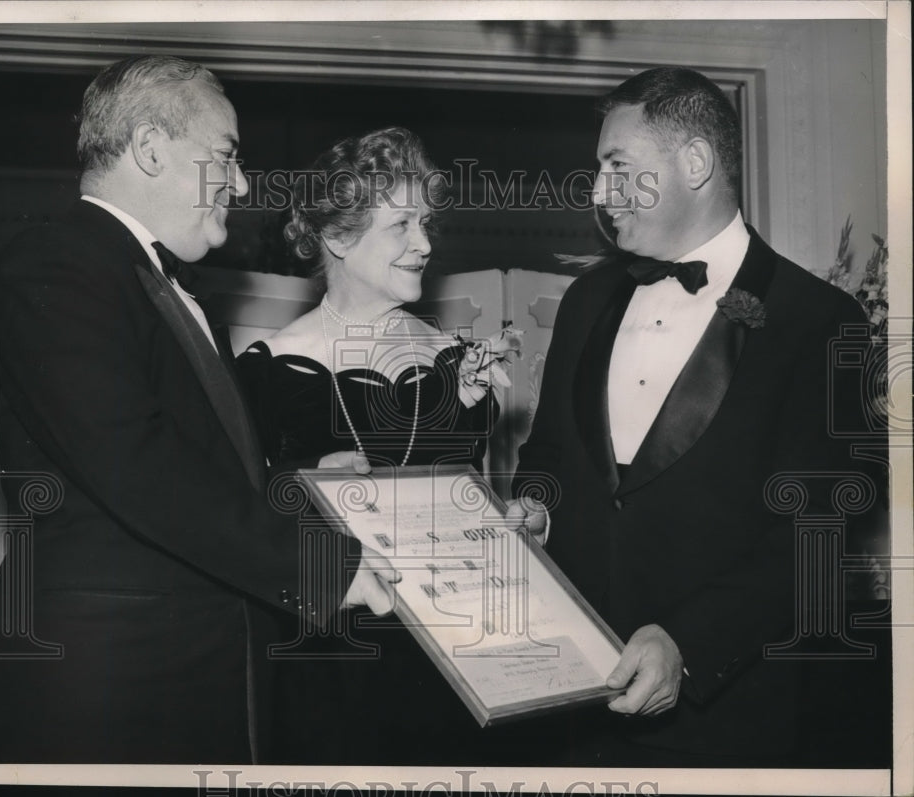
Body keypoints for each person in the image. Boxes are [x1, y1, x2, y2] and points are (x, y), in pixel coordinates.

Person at [0, 54, 395, 764]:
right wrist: (325, 568)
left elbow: (195, 469)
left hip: (191, 679)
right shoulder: (55, 262)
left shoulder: (166, 286)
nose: (242, 182)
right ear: (150, 149)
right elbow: (133, 463)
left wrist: (305, 477)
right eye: (225, 156)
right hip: (104, 689)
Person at [514, 67, 876, 767]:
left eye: (617, 168)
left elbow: (816, 538)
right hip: (566, 715)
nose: (597, 193)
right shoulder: (585, 301)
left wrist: (688, 646)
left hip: (727, 724)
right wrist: (535, 506)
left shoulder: (822, 323)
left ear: (696, 163)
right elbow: (548, 456)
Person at [237, 126, 537, 764]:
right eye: (401, 224)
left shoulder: (458, 362)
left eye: (426, 222)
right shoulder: (267, 368)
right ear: (339, 237)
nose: (426, 244)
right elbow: (237, 523)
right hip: (329, 661)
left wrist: (506, 528)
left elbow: (468, 506)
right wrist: (304, 482)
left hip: (457, 660)